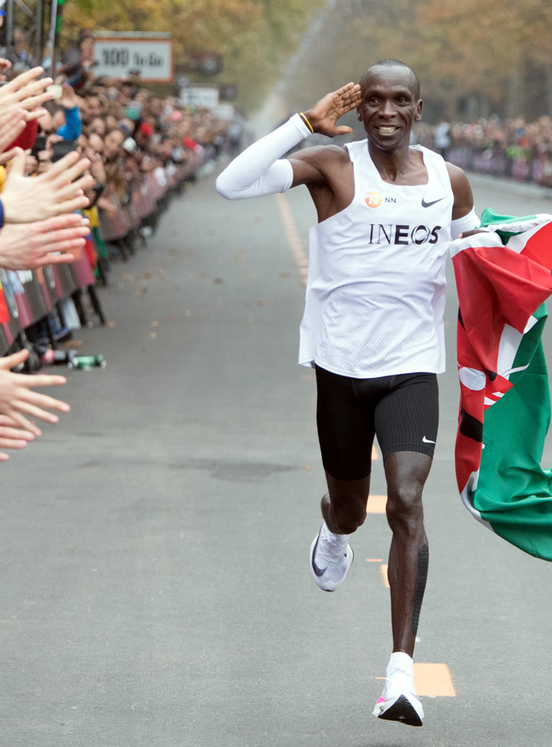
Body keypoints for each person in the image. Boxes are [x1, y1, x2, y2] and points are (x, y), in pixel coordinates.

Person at [215, 59, 478, 727]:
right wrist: (304, 122)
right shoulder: (333, 165)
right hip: (341, 368)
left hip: (414, 367)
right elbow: (231, 182)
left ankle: (400, 674)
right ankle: (332, 528)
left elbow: (476, 251)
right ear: (360, 109)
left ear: (419, 109)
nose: (386, 110)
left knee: (410, 501)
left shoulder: (449, 182)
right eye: (375, 100)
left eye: (400, 100)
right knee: (354, 508)